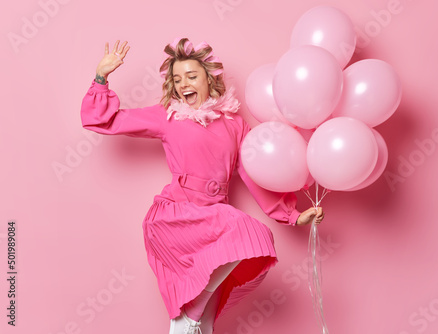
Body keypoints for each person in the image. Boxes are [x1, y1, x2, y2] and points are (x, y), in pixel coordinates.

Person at [80, 38, 324, 334]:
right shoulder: (167, 116)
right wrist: (101, 77)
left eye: (191, 76)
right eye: (177, 78)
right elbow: (108, 121)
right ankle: (189, 314)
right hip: (177, 215)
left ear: (209, 79)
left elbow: (252, 175)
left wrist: (292, 215)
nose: (184, 83)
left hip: (214, 216)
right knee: (243, 237)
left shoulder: (234, 125)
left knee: (205, 322)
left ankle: (190, 319)